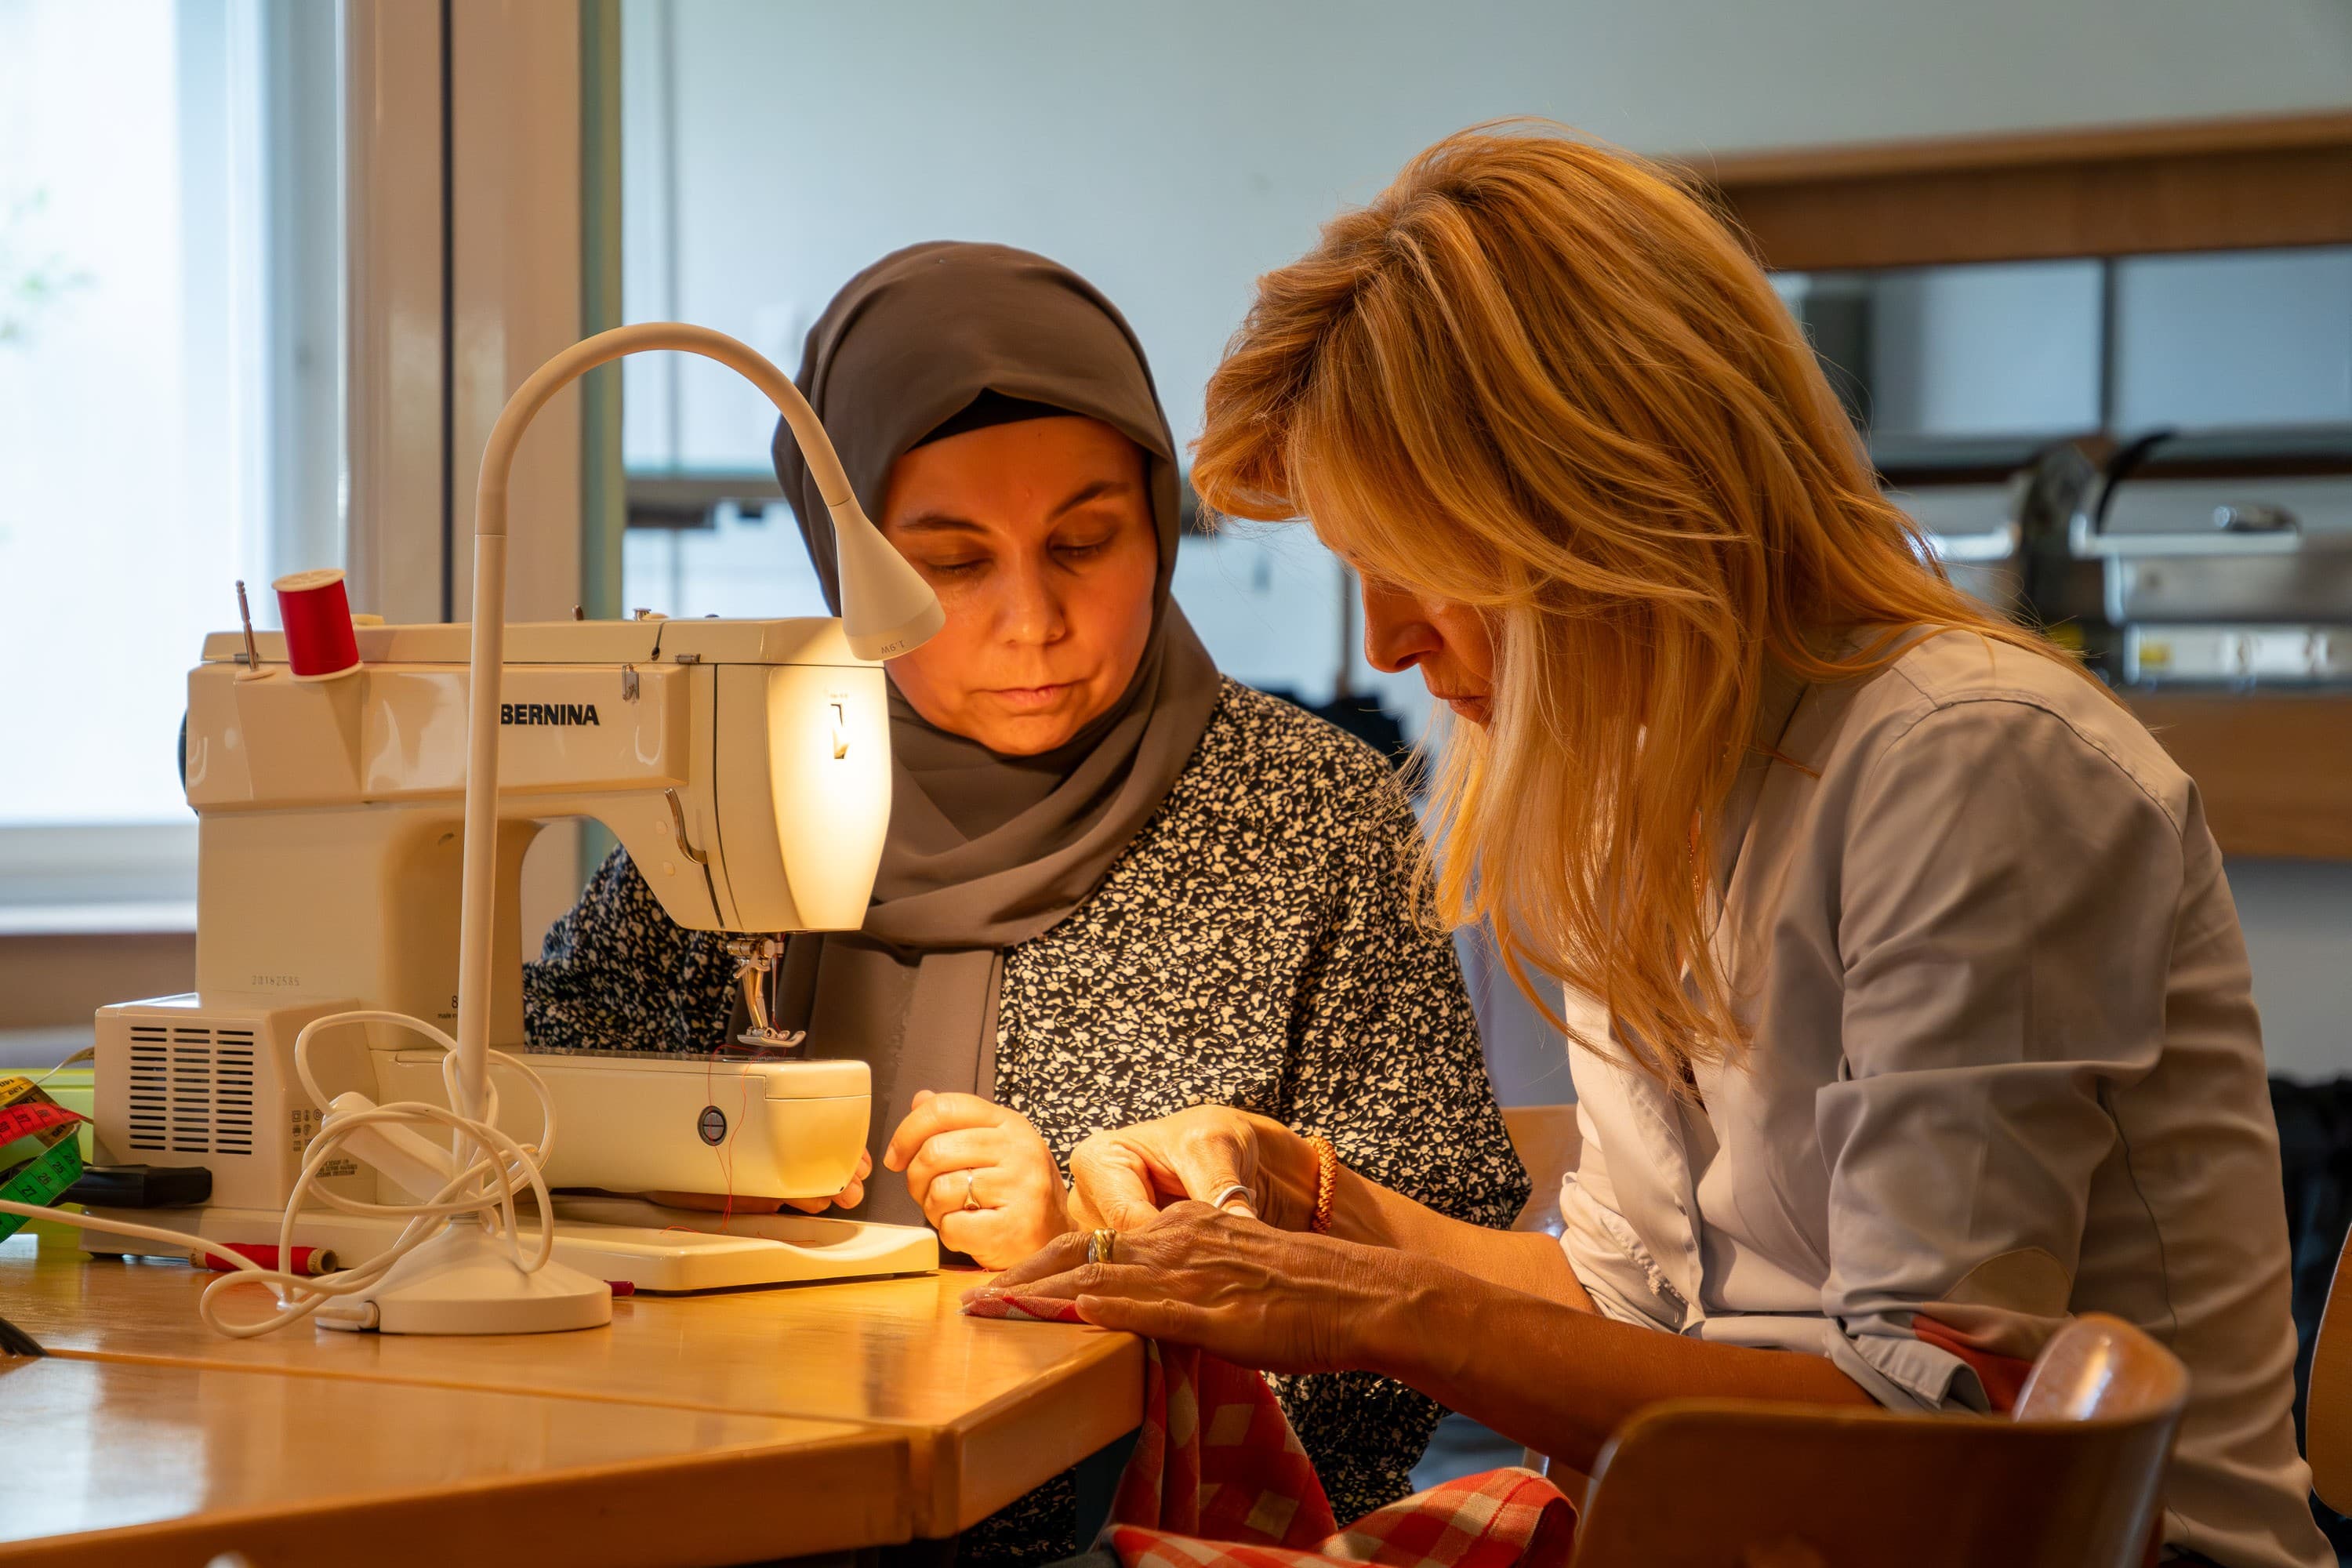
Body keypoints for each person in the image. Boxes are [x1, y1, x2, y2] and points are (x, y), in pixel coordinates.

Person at [978, 130, 2330, 1568]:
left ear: (1599, 502)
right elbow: (1630, 1300)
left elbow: (1929, 1448)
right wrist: (1317, 1203)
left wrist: (1369, 1308)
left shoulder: (1971, 768)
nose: (1382, 640)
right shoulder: (1638, 780)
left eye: (1413, 561)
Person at [523, 241, 1530, 1551]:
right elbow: (525, 1154)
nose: (1033, 618)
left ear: (1158, 522)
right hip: (724, 1510)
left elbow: (1420, 1336)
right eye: (950, 562)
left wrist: (1093, 1267)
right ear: (850, 560)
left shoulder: (1310, 822)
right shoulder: (737, 795)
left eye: (1085, 542)